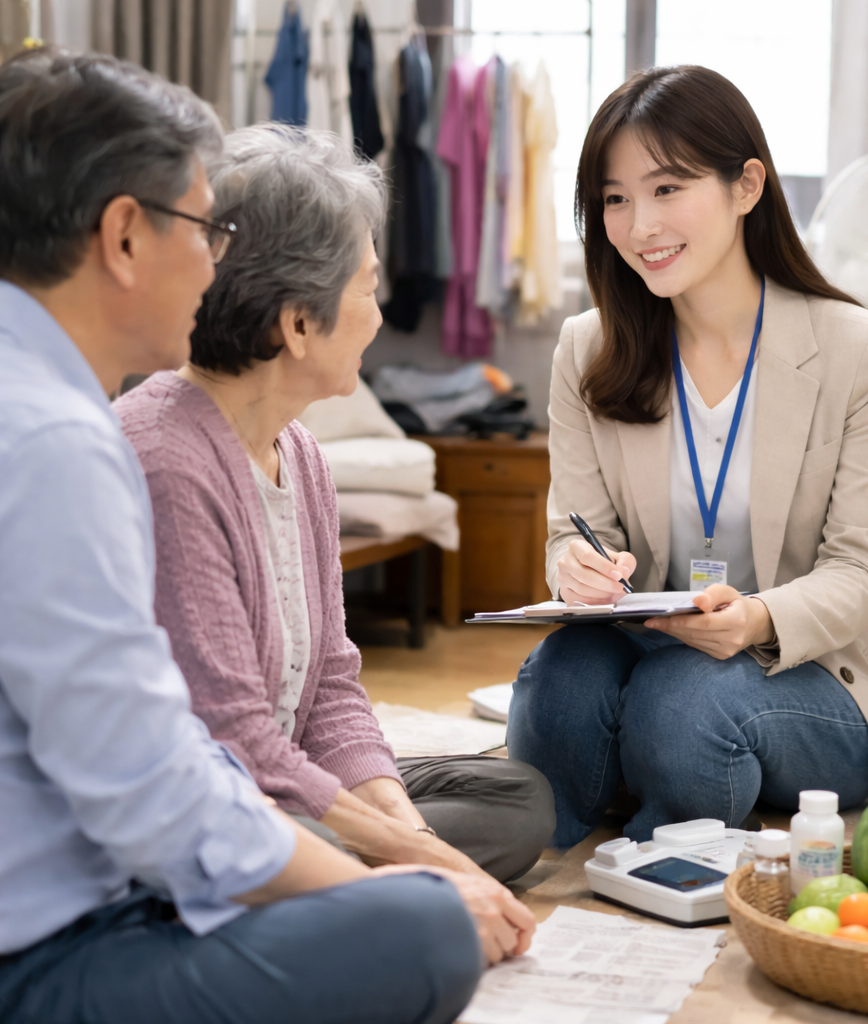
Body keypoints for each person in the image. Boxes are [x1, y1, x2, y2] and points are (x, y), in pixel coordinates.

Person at [0, 49, 534, 1024]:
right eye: (205, 228)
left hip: (139, 851)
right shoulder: (67, 442)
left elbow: (280, 702)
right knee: (422, 932)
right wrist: (389, 880)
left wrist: (398, 846)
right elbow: (167, 781)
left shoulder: (48, 404)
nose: (218, 262)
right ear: (124, 236)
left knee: (502, 808)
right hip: (55, 944)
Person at [507, 66, 868, 849]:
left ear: (746, 185)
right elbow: (573, 531)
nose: (639, 225)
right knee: (558, 682)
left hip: (820, 672)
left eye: (667, 188)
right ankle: (592, 824)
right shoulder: (588, 348)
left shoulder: (861, 350)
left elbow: (861, 572)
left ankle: (659, 820)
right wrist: (574, 571)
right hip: (653, 646)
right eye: (615, 199)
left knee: (680, 702)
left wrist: (757, 617)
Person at [114, 123, 555, 884]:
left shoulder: (303, 454)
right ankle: (339, 885)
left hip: (284, 787)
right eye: (367, 286)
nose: (379, 316)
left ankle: (358, 877)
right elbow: (232, 742)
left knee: (518, 800)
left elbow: (329, 688)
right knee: (424, 876)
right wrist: (415, 855)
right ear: (297, 322)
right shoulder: (165, 461)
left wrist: (405, 828)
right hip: (205, 808)